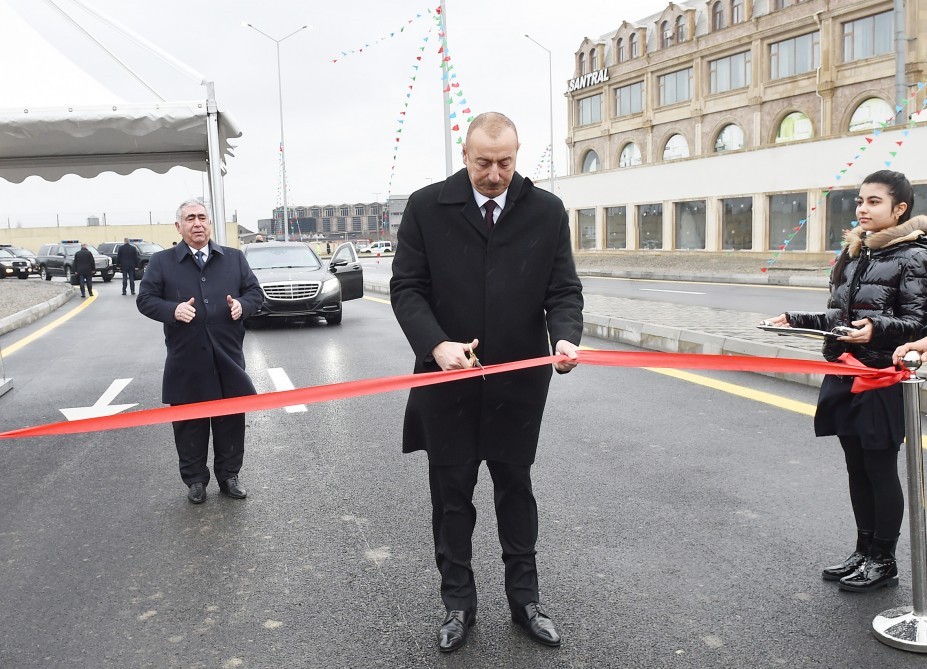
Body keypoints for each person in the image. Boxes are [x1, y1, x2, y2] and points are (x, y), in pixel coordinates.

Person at [390, 112, 584, 652]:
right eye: (484, 163)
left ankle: (526, 601)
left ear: (516, 155)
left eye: (505, 163)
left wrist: (565, 338)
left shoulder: (544, 211)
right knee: (451, 499)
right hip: (447, 382)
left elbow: (563, 291)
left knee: (515, 493)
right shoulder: (427, 207)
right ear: (465, 155)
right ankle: (458, 605)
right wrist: (436, 344)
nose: (495, 174)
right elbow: (406, 287)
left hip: (516, 386)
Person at [764, 170, 927, 592]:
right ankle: (863, 549)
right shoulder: (856, 253)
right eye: (860, 201)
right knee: (856, 467)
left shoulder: (914, 257)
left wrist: (875, 328)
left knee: (879, 468)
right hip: (843, 370)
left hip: (879, 376)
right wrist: (796, 319)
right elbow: (840, 314)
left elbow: (916, 323)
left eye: (874, 201)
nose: (862, 209)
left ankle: (884, 560)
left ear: (900, 209)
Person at [136, 199, 263, 504]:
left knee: (230, 420)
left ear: (210, 224)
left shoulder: (233, 259)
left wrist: (241, 307)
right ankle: (195, 480)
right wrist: (173, 309)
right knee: (189, 424)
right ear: (178, 227)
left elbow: (255, 294)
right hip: (186, 359)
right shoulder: (162, 262)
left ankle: (229, 476)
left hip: (228, 357)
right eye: (190, 218)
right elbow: (145, 299)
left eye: (202, 217)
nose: (197, 223)